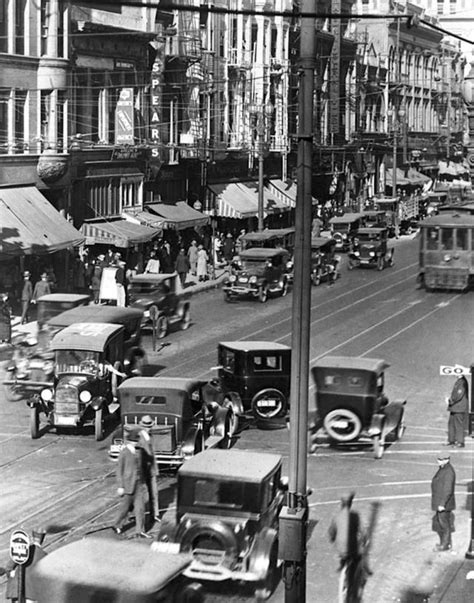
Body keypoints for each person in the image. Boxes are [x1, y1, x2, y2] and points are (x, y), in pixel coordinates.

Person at [114, 425, 150, 538]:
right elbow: (119, 470)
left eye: (136, 441)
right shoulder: (124, 453)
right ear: (129, 441)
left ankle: (140, 530)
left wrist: (143, 482)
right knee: (124, 509)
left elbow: (142, 466)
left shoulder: (139, 452)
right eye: (133, 441)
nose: (135, 443)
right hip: (128, 485)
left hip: (138, 485)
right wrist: (120, 486)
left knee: (140, 508)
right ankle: (117, 524)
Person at [6, 528, 47, 602]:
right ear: (43, 540)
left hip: (16, 588)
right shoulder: (44, 555)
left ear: (32, 538)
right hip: (31, 592)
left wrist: (11, 575)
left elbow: (9, 567)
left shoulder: (23, 549)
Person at [431, 451, 456, 551]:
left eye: (440, 460)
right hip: (441, 501)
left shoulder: (449, 472)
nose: (438, 461)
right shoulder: (444, 468)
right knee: (443, 523)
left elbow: (447, 490)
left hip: (444, 503)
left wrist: (442, 504)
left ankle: (445, 545)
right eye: (438, 459)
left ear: (447, 460)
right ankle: (446, 543)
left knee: (444, 524)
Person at [138, 415, 160, 523]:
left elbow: (153, 453)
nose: (149, 428)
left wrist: (155, 468)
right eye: (147, 426)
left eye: (150, 426)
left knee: (154, 492)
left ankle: (154, 514)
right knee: (142, 494)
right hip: (143, 469)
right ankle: (138, 516)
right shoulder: (139, 437)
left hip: (151, 469)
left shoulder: (150, 436)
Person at [445, 375, 469, 448]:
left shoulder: (462, 383)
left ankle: (460, 442)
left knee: (458, 425)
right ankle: (451, 440)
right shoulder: (459, 381)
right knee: (451, 424)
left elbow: (459, 395)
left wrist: (450, 401)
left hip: (459, 407)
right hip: (454, 407)